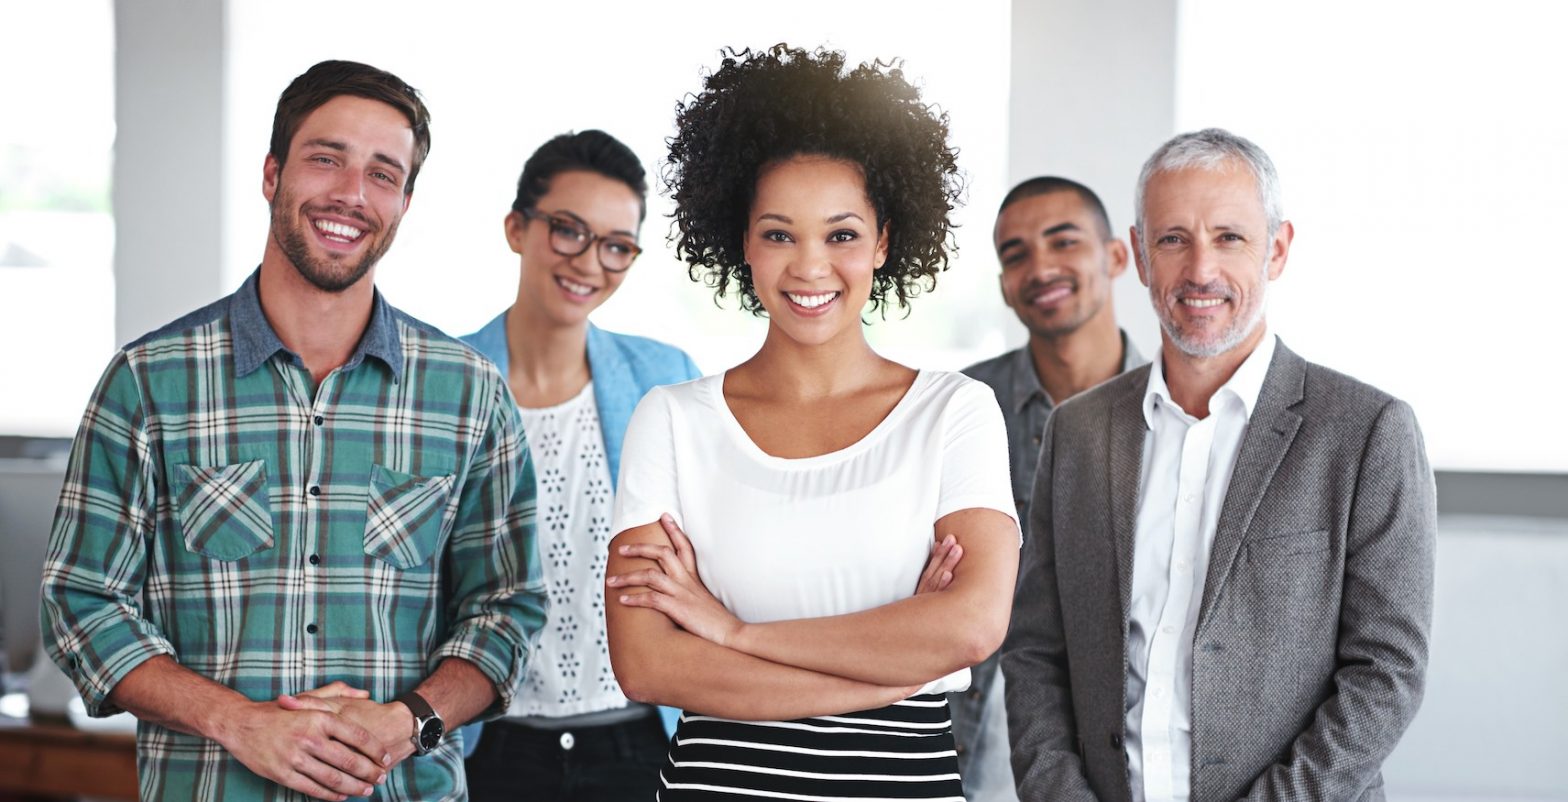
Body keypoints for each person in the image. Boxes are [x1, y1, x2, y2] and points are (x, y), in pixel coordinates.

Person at [39, 60, 547, 802]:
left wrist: (406, 723)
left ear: (405, 201)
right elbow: (80, 601)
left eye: (382, 174)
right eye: (326, 159)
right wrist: (238, 722)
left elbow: (507, 608)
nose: (351, 193)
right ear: (273, 174)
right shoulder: (148, 382)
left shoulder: (469, 394)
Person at [602, 45, 1019, 800]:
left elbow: (970, 630)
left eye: (842, 234)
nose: (810, 267)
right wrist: (895, 666)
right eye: (779, 233)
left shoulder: (954, 413)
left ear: (885, 241)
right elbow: (649, 664)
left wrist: (732, 635)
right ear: (743, 243)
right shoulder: (671, 421)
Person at [1002, 128, 1436, 801]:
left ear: (1278, 249)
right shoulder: (1079, 432)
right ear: (1140, 257)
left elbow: (1386, 672)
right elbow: (1035, 651)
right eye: (1173, 239)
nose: (1200, 270)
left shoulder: (1366, 432)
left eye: (1229, 237)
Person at [459, 129, 699, 801]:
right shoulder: (445, 379)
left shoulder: (664, 379)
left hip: (641, 746)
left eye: (617, 246)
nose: (590, 262)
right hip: (489, 748)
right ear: (517, 227)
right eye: (568, 230)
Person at [954, 177, 1148, 801]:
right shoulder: (960, 408)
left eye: (1062, 242)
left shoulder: (1177, 409)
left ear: (1118, 257)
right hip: (970, 740)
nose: (1039, 267)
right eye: (1015, 255)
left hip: (1127, 743)